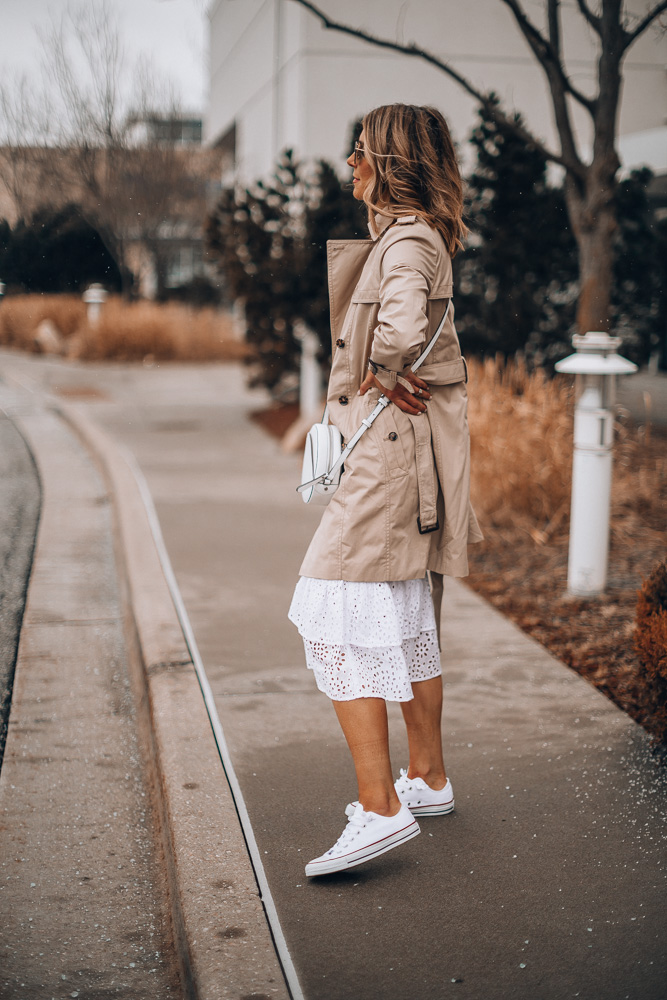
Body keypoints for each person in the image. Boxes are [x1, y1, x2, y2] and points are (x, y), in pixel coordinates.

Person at [289, 103, 482, 877]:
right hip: (405, 456)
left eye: (359, 150)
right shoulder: (418, 236)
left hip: (384, 462)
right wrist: (398, 373)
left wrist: (386, 373)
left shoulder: (404, 242)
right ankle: (427, 779)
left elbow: (399, 331)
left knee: (332, 609)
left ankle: (378, 808)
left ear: (392, 160)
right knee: (401, 611)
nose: (350, 164)